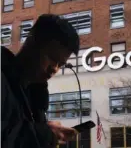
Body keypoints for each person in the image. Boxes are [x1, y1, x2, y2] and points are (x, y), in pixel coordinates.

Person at [1, 14, 80, 148]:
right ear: (31, 42)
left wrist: (45, 132)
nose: (54, 69)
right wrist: (45, 135)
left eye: (60, 64)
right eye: (52, 58)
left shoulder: (36, 99)